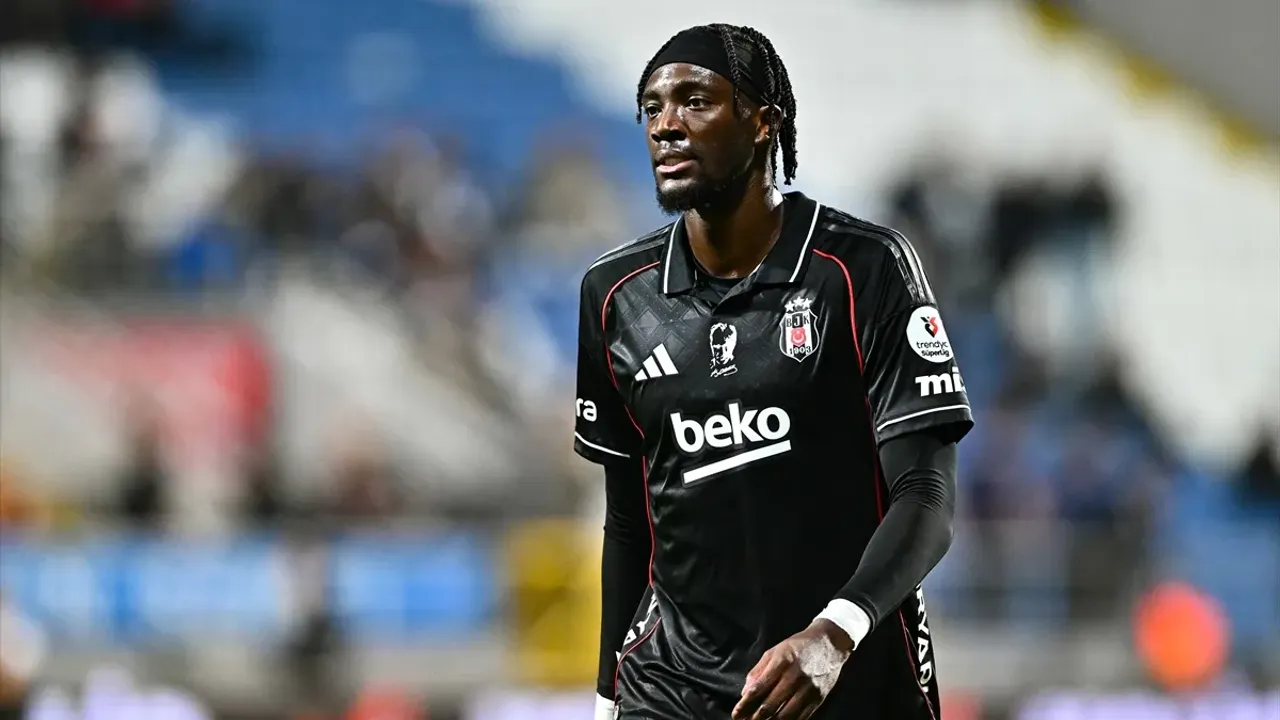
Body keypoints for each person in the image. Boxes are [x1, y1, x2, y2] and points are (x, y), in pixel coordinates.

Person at [575, 24, 974, 720]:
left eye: (696, 100)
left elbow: (925, 494)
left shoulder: (862, 270)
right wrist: (609, 697)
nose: (666, 125)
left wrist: (834, 633)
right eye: (653, 108)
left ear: (764, 121)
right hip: (671, 691)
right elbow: (630, 519)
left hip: (844, 675)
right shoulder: (615, 295)